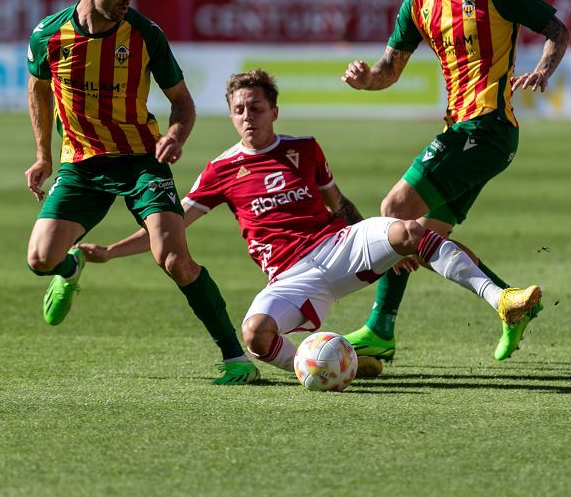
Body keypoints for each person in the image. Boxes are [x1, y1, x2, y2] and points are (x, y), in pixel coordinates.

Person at [78, 70, 542, 381]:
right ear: (231, 113)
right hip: (288, 277)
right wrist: (110, 251)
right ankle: (347, 362)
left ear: (273, 111)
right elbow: (170, 229)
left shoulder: (305, 149)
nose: (247, 116)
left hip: (339, 246)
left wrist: (386, 243)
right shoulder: (221, 169)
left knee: (412, 229)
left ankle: (500, 299)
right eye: (239, 109)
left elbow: (338, 204)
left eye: (256, 108)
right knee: (256, 336)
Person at [24, 0, 259, 385]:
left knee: (173, 258)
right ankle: (71, 267)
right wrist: (42, 155)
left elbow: (183, 103)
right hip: (82, 166)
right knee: (39, 259)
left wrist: (175, 135)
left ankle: (235, 358)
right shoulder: (48, 36)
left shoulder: (146, 34)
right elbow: (37, 89)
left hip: (140, 162)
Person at [340, 0, 570, 362]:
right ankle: (506, 303)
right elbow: (390, 69)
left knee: (393, 209)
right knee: (421, 237)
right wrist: (367, 80)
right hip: (463, 131)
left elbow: (556, 29)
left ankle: (381, 325)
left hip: (488, 127)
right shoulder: (417, 3)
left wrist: (543, 70)